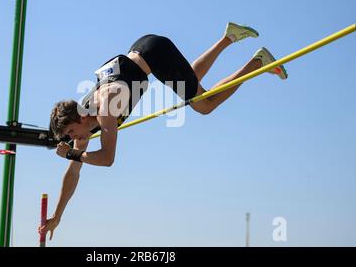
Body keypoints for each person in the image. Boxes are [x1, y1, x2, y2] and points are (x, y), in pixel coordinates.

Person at [38, 22, 288, 240]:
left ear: (80, 117)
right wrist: (58, 216)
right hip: (146, 51)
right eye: (69, 138)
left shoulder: (105, 112)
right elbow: (73, 172)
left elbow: (107, 159)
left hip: (155, 54)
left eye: (71, 132)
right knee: (191, 85)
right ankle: (230, 37)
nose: (73, 140)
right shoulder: (85, 121)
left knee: (204, 104)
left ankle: (259, 62)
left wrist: (73, 154)